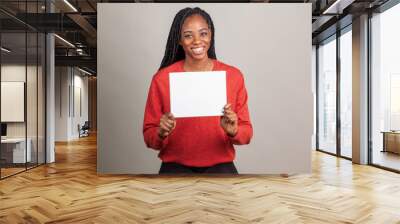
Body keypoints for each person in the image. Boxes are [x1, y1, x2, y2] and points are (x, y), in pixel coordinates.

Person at [143, 7, 253, 174]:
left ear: (211, 35)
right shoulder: (162, 79)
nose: (197, 41)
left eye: (203, 33)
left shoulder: (234, 76)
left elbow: (247, 133)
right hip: (175, 169)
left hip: (221, 169)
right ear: (179, 40)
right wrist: (160, 132)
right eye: (188, 35)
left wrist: (234, 131)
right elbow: (149, 136)